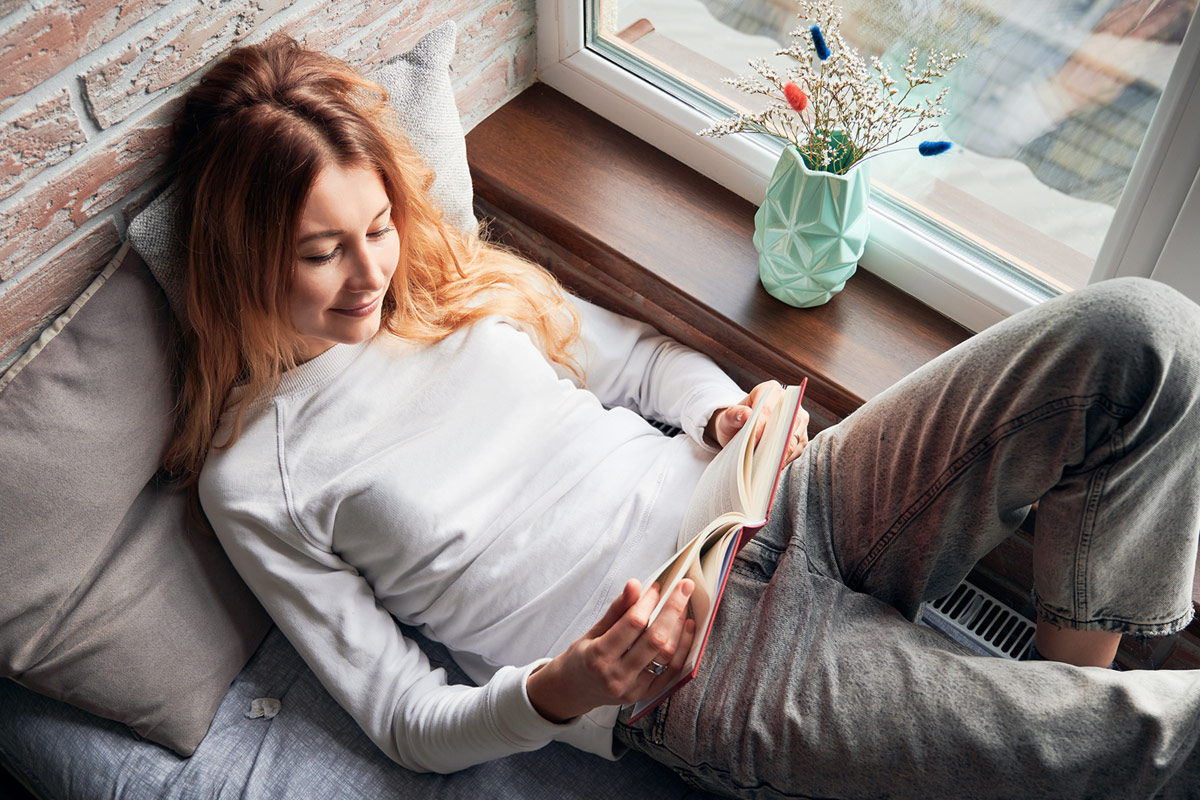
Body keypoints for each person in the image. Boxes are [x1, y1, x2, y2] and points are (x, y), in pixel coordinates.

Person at [164, 34, 1200, 799]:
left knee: (1144, 336)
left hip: (777, 499)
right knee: (1150, 740)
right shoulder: (256, 472)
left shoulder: (442, 279)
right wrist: (560, 689)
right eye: (319, 252)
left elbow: (645, 364)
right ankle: (1085, 750)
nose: (369, 273)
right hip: (693, 666)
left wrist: (722, 417)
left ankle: (1073, 727)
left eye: (378, 224)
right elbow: (398, 714)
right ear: (242, 257)